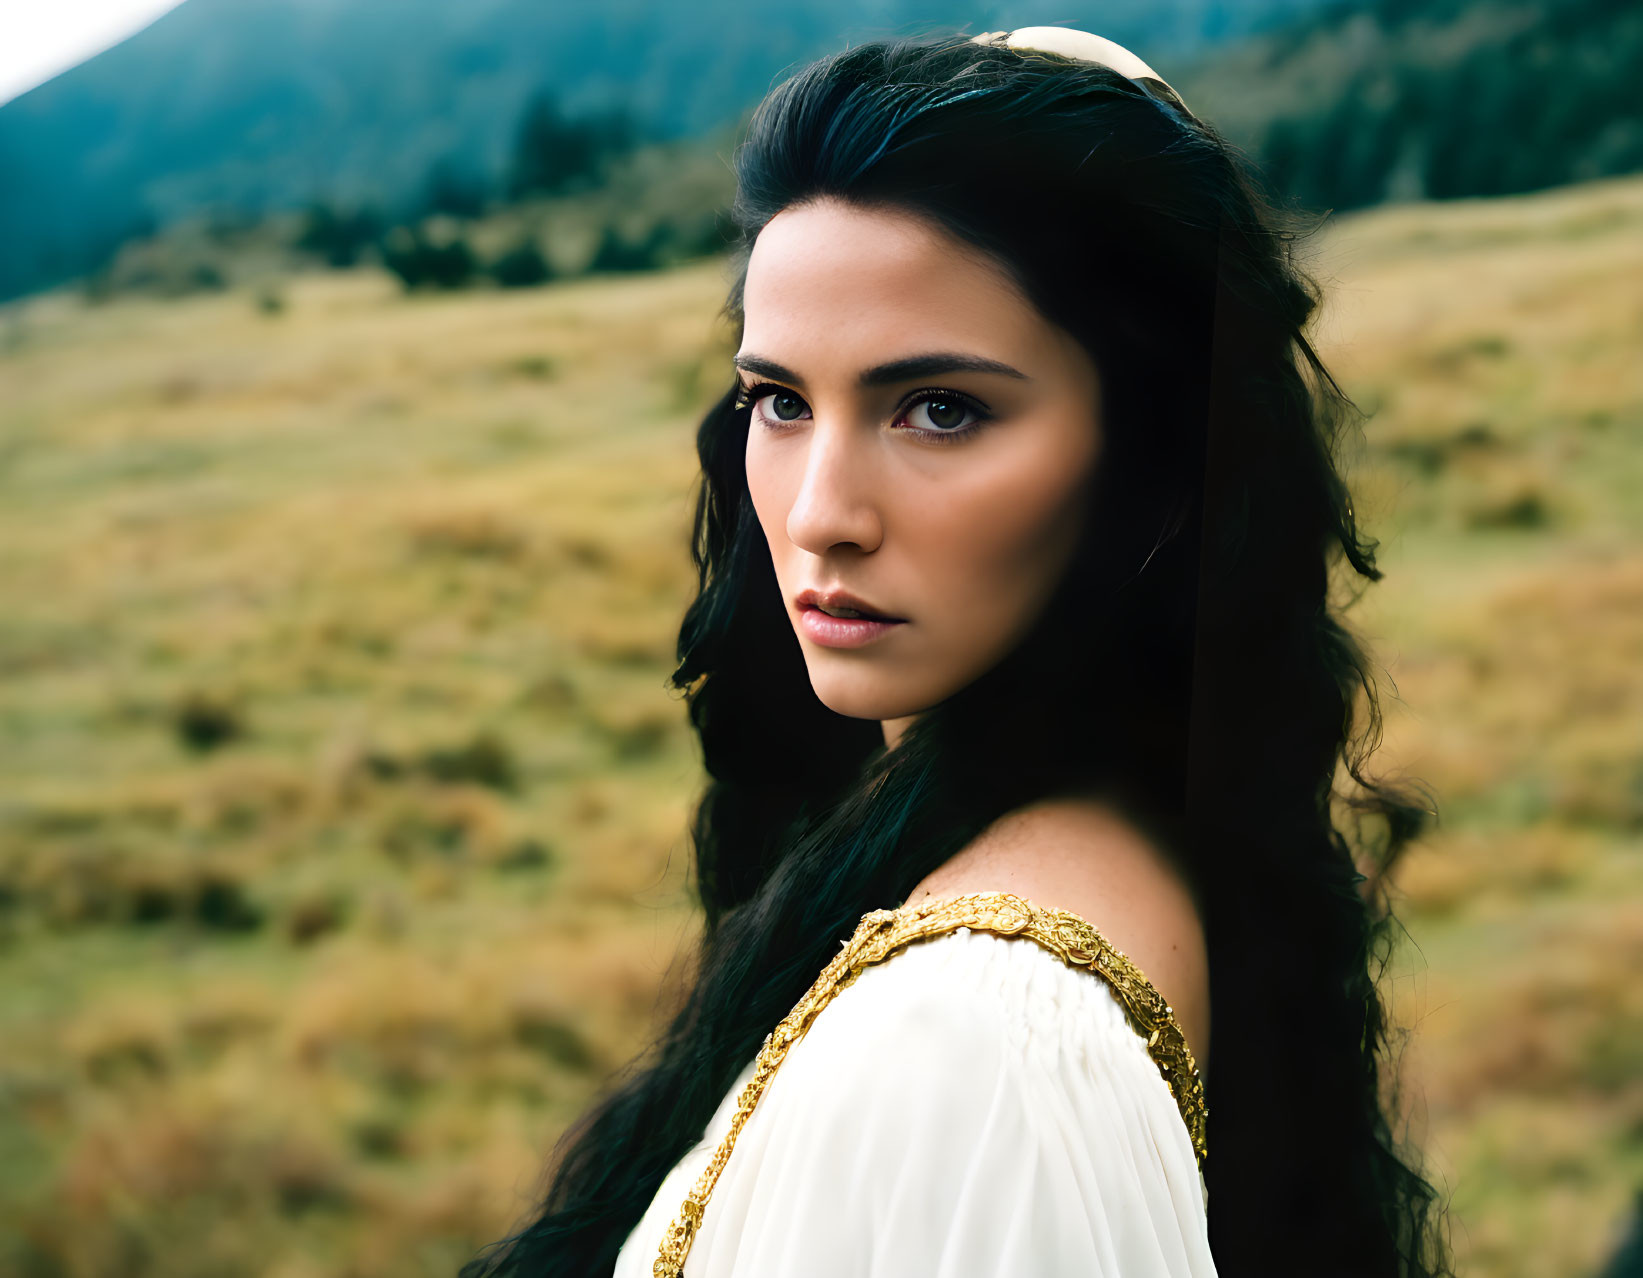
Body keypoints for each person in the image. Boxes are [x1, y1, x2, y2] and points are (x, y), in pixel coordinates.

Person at [461, 26, 1455, 1278]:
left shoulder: (975, 1043)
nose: (821, 512)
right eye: (779, 400)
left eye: (940, 409)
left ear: (1151, 462)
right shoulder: (1123, 834)